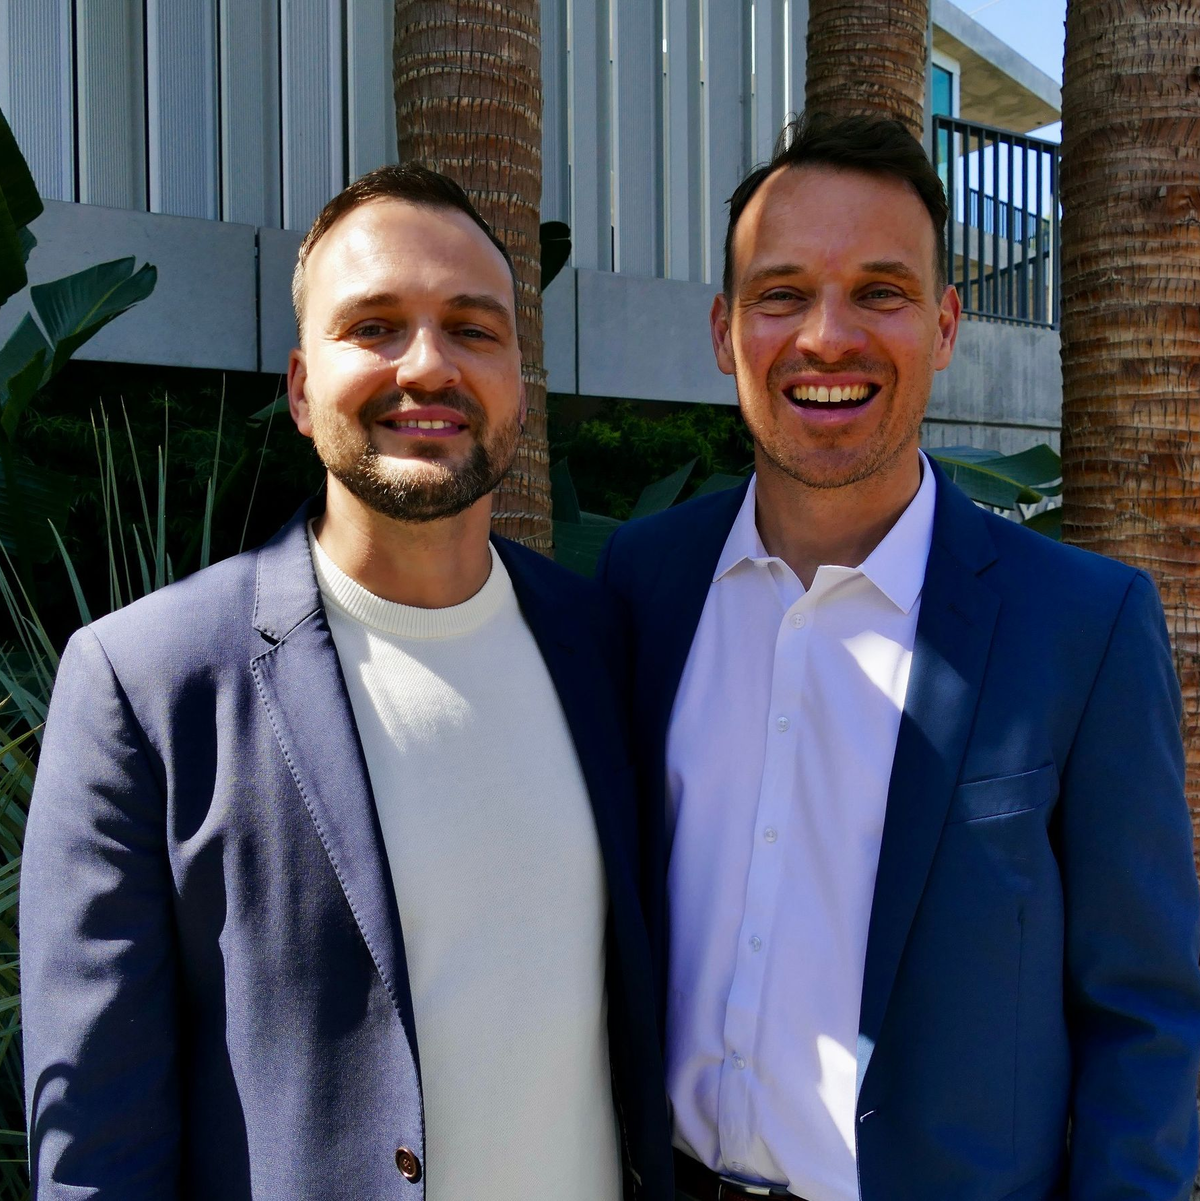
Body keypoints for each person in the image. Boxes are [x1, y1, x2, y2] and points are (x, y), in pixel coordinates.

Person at [22, 163, 672, 1200]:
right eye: (374, 326)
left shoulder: (603, 642)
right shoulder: (145, 685)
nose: (428, 365)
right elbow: (98, 1150)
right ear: (298, 386)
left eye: (474, 327)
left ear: (518, 377)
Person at [599, 113, 1200, 1201]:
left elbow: (1146, 1013)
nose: (828, 336)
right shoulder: (643, 585)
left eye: (880, 291)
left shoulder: (1083, 623)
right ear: (725, 331)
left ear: (945, 324)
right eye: (782, 294)